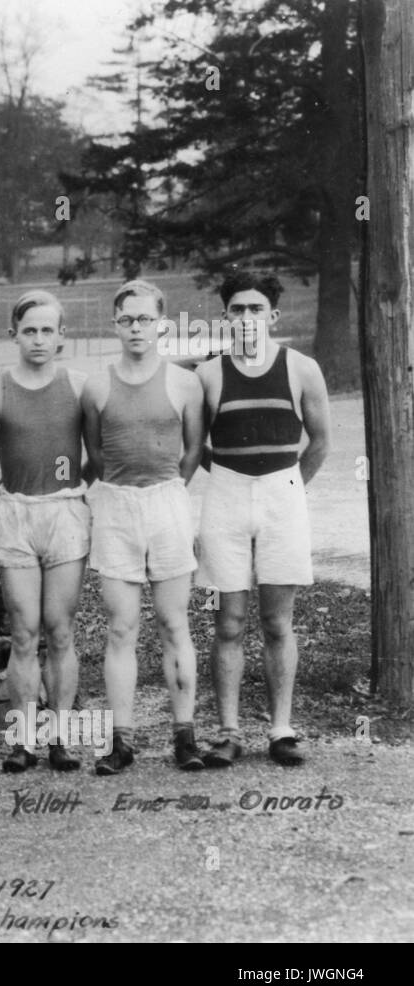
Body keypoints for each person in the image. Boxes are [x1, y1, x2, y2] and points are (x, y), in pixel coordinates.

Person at [195, 273, 331, 767]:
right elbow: (195, 449)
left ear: (272, 316)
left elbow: (319, 443)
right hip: (226, 496)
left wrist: (289, 487)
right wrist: (231, 479)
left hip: (282, 495)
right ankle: (228, 732)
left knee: (277, 621)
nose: (247, 318)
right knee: (227, 622)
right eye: (237, 309)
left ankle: (281, 729)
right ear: (226, 317)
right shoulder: (208, 375)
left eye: (256, 309)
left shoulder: (301, 368)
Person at [81, 280, 205, 774]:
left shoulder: (184, 383)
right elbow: (94, 453)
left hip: (167, 504)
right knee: (121, 628)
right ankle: (122, 741)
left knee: (176, 623)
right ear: (115, 324)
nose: (137, 328)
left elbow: (193, 451)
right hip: (116, 508)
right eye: (127, 319)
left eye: (146, 319)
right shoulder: (96, 386)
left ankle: (185, 736)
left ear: (161, 323)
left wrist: (168, 489)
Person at [0, 290, 92, 772]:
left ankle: (61, 736)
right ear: (14, 336)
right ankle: (23, 739)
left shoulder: (82, 387)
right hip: (15, 513)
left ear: (62, 336)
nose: (39, 339)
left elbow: (102, 454)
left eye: (48, 330)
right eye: (30, 330)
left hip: (64, 512)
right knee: (24, 633)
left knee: (60, 630)